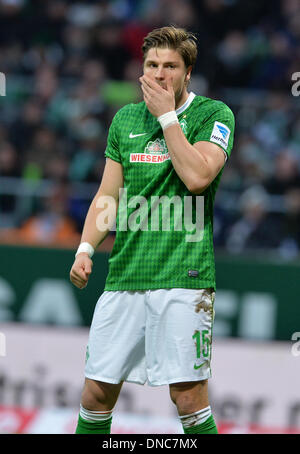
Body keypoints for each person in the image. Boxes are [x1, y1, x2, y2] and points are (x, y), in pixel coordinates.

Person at [70, 26, 235, 435]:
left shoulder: (214, 115)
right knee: (95, 395)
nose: (159, 75)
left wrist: (166, 117)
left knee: (188, 398)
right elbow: (108, 195)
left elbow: (198, 177)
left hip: (184, 278)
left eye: (170, 67)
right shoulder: (125, 119)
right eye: (152, 65)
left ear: (188, 72)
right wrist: (86, 247)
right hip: (125, 275)